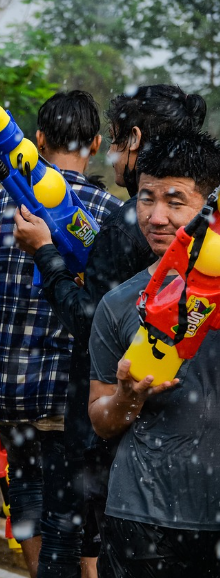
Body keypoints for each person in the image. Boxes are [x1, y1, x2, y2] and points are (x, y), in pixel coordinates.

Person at [11, 85, 206, 577]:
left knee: (66, 534)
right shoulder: (182, 237)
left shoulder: (132, 225)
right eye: (149, 201)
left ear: (133, 139)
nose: (157, 217)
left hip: (117, 446)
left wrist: (46, 257)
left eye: (118, 140)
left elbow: (90, 317)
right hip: (167, 462)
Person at [0, 91, 122, 578]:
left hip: (8, 389)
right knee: (72, 514)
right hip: (67, 394)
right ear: (95, 144)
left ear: (37, 140)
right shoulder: (108, 212)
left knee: (27, 497)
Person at [88, 130, 220, 577]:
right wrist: (128, 397)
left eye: (174, 201)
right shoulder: (121, 303)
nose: (156, 216)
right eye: (146, 198)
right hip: (140, 517)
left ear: (209, 207)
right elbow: (101, 419)